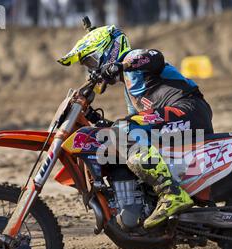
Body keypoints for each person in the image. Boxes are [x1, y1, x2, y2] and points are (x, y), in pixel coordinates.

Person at [57, 25, 214, 229]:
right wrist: (94, 118)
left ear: (109, 50)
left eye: (92, 61)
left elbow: (155, 56)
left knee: (124, 129)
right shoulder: (129, 88)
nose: (92, 69)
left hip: (188, 110)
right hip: (174, 119)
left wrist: (120, 65)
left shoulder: (134, 58)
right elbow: (135, 122)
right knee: (121, 132)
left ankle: (171, 193)